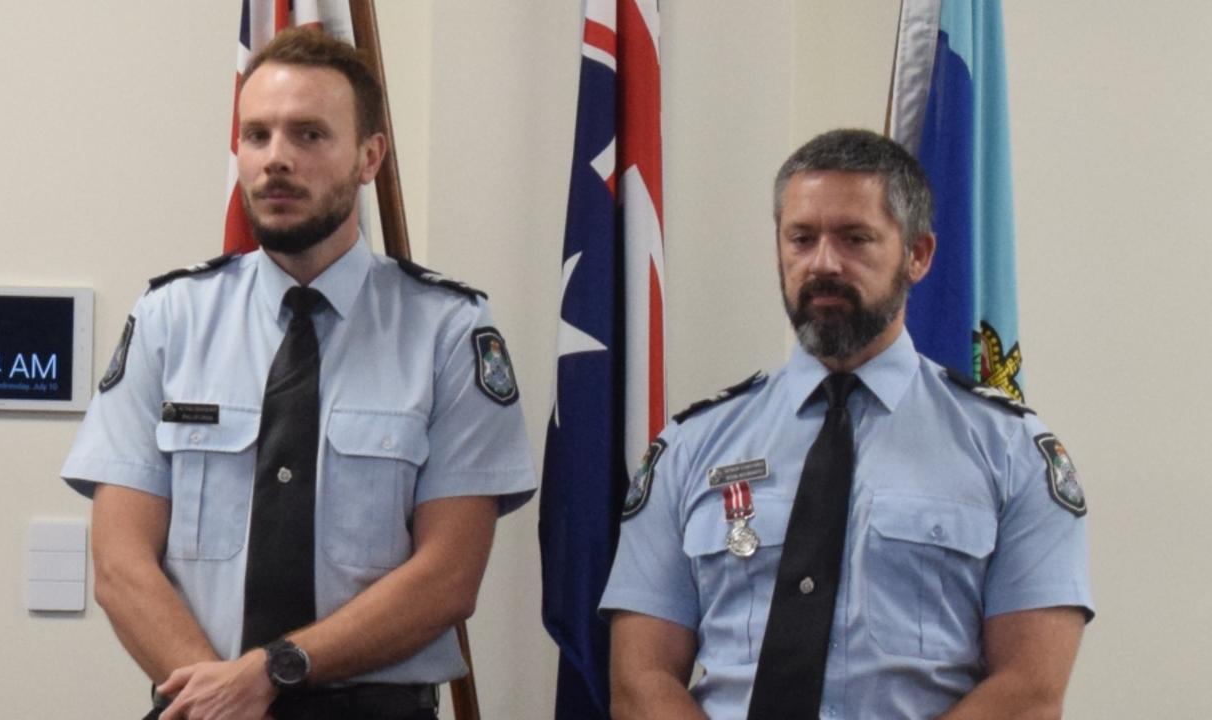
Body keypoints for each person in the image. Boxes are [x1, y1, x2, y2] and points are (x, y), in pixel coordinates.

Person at [61, 28, 535, 720]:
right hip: (199, 702)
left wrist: (272, 672)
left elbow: (447, 579)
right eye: (257, 136)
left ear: (370, 156)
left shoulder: (448, 331)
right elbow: (119, 563)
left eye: (309, 135)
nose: (276, 159)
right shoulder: (170, 320)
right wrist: (220, 696)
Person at [600, 129, 1093, 719]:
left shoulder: (1011, 451)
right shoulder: (691, 447)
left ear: (918, 254)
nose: (823, 263)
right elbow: (642, 677)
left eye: (855, 239)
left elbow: (1030, 690)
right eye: (801, 239)